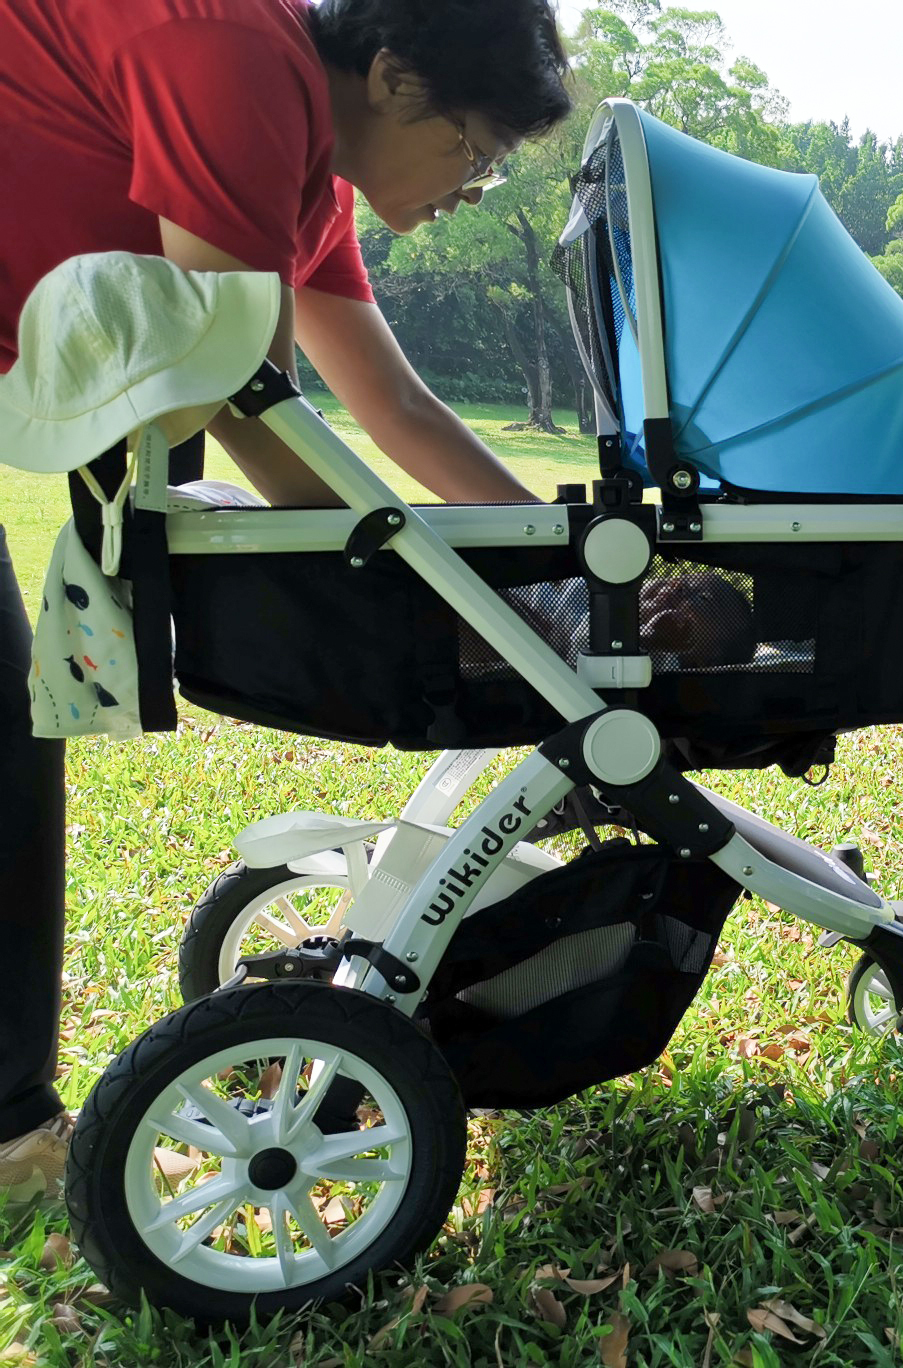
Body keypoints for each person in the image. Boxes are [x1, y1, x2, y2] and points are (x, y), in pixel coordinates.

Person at [0, 0, 572, 1211]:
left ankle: (7, 1129)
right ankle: (9, 1139)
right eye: (477, 150)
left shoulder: (311, 183)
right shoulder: (239, 60)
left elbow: (397, 414)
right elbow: (248, 405)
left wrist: (559, 571)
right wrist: (454, 595)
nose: (475, 188)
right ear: (395, 78)